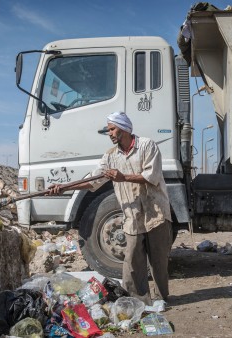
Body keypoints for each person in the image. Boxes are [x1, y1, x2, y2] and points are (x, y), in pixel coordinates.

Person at [48, 111, 173, 305]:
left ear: (124, 129)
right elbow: (93, 181)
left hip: (154, 212)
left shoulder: (147, 146)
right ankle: (138, 301)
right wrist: (64, 187)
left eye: (112, 129)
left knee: (158, 260)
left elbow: (152, 176)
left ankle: (161, 298)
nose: (110, 133)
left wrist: (123, 177)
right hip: (132, 214)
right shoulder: (110, 156)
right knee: (132, 261)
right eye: (109, 130)